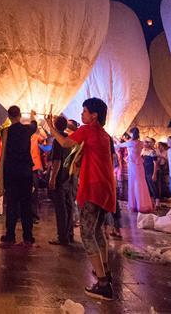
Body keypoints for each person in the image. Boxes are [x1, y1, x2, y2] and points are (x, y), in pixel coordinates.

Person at [47, 98, 117, 301]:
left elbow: (65, 142)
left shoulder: (88, 130)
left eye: (84, 111)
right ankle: (105, 272)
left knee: (87, 234)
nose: (81, 115)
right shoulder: (104, 135)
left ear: (94, 116)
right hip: (105, 189)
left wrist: (51, 127)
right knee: (97, 231)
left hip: (93, 188)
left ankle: (103, 284)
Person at [0, 106, 35, 247]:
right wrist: (32, 116)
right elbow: (34, 125)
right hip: (25, 172)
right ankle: (28, 236)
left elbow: (4, 152)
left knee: (11, 204)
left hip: (11, 172)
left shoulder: (5, 131)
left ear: (9, 116)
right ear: (19, 115)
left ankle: (10, 235)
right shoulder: (27, 130)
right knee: (26, 205)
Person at [48, 115, 75, 245]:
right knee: (68, 207)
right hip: (68, 177)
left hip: (60, 178)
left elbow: (57, 160)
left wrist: (52, 178)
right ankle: (69, 234)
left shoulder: (57, 141)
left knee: (61, 209)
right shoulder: (69, 138)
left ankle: (62, 237)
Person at [117, 128, 153, 213]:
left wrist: (115, 139)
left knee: (134, 183)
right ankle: (141, 204)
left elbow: (120, 145)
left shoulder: (131, 143)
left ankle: (136, 205)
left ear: (132, 134)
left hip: (133, 165)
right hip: (139, 165)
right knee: (141, 183)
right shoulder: (140, 143)